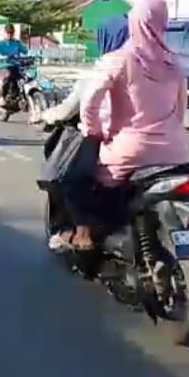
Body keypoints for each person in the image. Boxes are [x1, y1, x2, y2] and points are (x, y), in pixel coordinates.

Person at [68, 0, 189, 251]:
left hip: (130, 150)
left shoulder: (120, 58)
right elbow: (180, 111)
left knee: (80, 180)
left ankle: (86, 234)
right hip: (176, 151)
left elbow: (90, 101)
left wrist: (95, 131)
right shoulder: (174, 63)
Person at [39, 14, 129, 252]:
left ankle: (82, 230)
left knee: (69, 178)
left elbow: (77, 107)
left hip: (116, 142)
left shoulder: (105, 68)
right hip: (171, 150)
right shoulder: (159, 66)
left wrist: (46, 115)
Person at [0, 23, 29, 103]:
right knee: (8, 75)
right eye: (8, 33)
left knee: (25, 77)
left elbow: (26, 51)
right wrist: (2, 57)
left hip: (16, 65)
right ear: (4, 33)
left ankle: (21, 95)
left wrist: (29, 53)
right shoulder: (1, 44)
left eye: (11, 33)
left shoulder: (17, 43)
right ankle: (1, 95)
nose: (9, 35)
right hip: (4, 66)